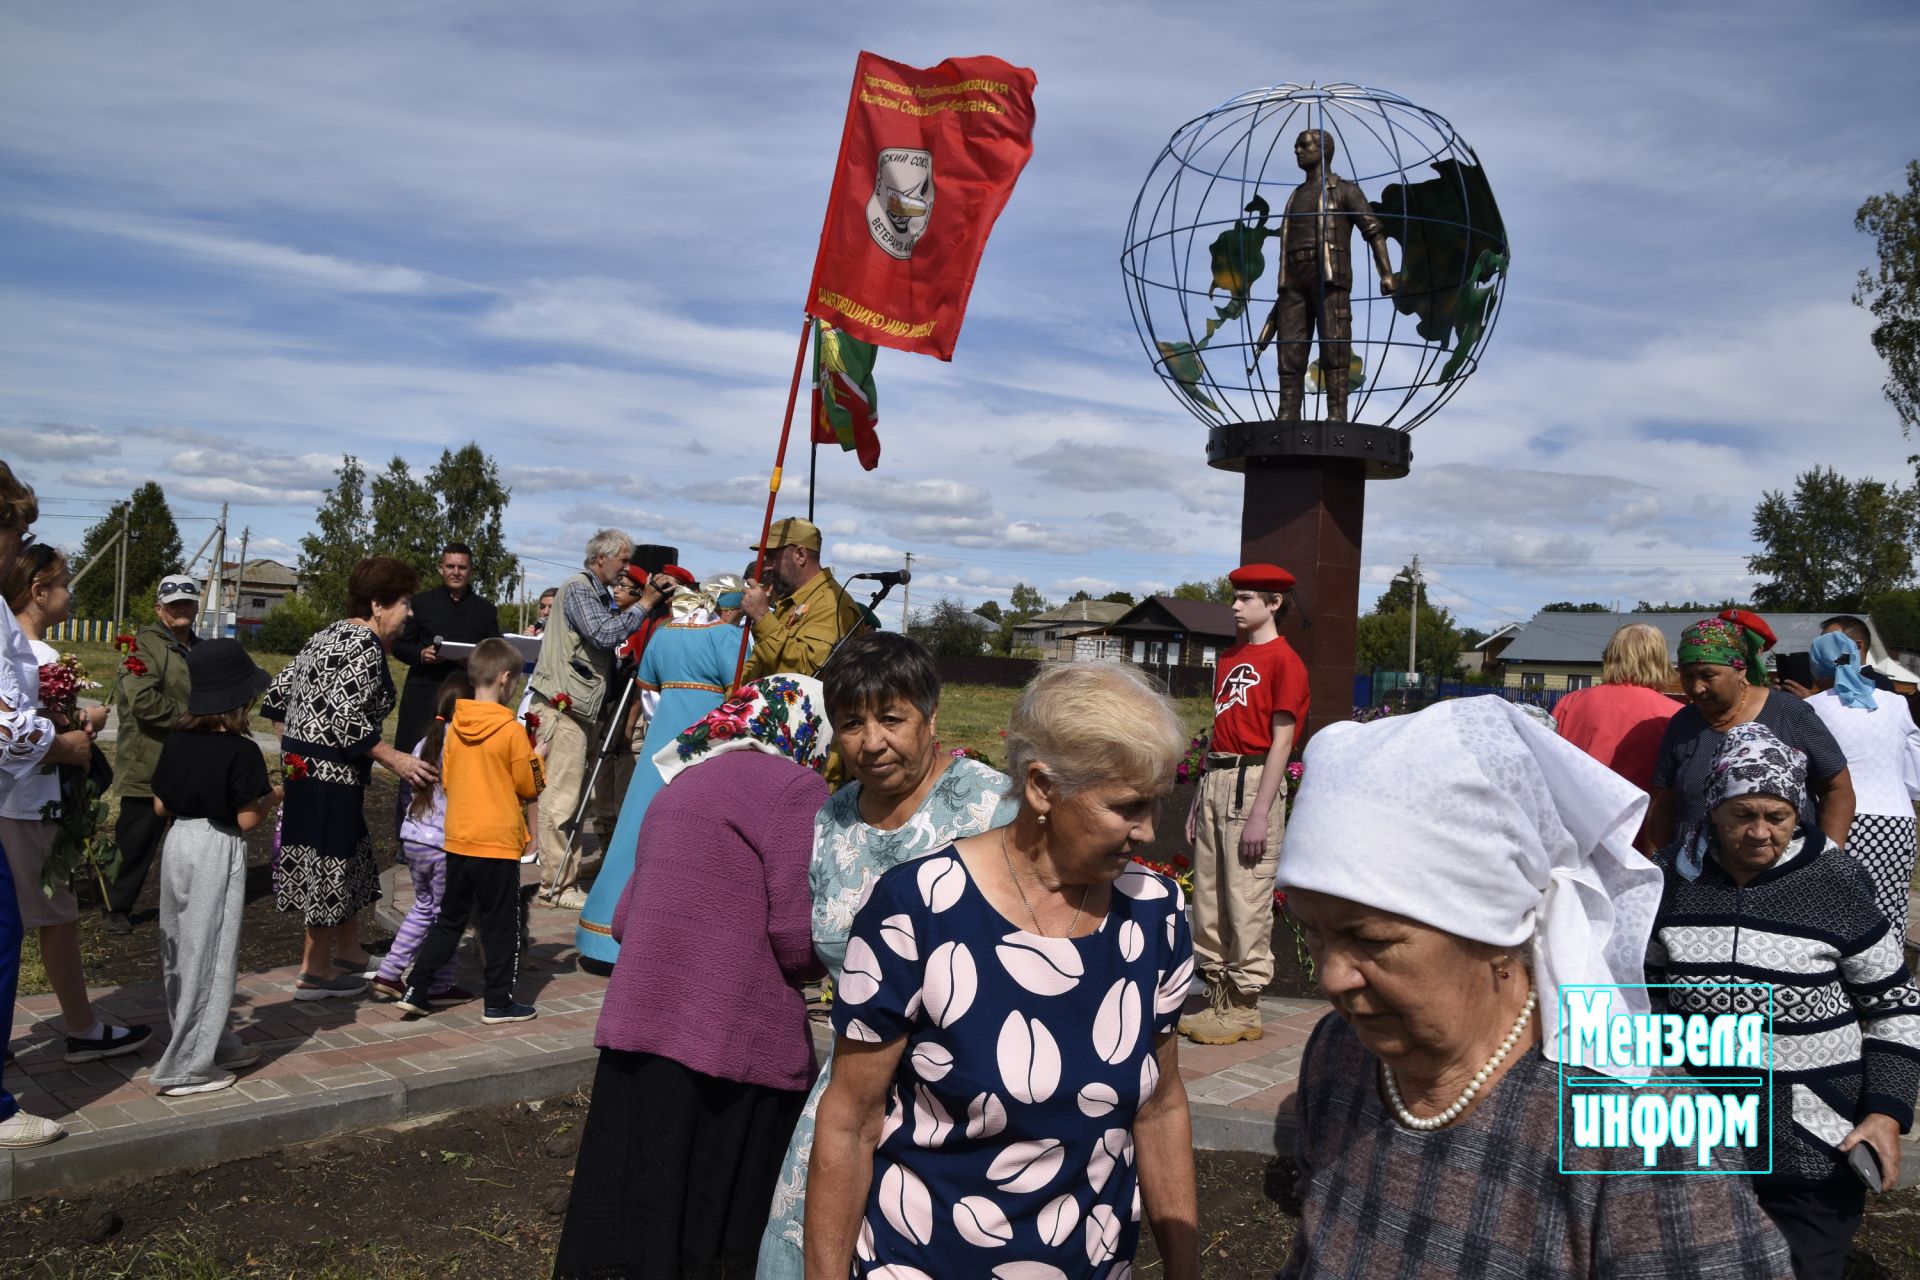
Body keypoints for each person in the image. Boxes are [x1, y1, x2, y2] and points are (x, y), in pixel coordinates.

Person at [1276, 697, 1795, 1278]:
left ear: (1497, 928)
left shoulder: (1642, 1128)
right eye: (1313, 934)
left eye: (1370, 939)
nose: (1332, 978)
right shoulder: (1339, 1053)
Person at [805, 663, 1200, 1280]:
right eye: (1127, 807)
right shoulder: (918, 908)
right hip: (926, 1261)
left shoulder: (1155, 913)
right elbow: (850, 1120)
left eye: (1155, 805)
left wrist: (1183, 1267)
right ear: (1042, 789)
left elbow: (1161, 1105)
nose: (1148, 830)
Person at [553, 676, 833, 1279]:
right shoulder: (797, 787)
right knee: (709, 1221)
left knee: (634, 1209)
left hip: (640, 1023)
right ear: (806, 728)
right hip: (729, 1036)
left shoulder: (683, 781)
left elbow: (626, 918)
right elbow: (794, 934)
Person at [756, 633, 1017, 1278]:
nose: (870, 742)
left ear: (932, 719)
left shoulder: (996, 808)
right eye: (851, 723)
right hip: (853, 1093)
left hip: (972, 1099)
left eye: (891, 719)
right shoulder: (831, 820)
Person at [1648, 721, 1920, 1279]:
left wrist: (1885, 1111)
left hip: (1815, 1143)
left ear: (1799, 813)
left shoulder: (1836, 882)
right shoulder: (1670, 879)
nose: (1758, 833)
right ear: (1712, 811)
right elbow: (1643, 989)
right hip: (1701, 1140)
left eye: (1777, 817)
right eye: (1741, 815)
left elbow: (1895, 1005)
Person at [1, 546, 149, 1066]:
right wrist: (83, 724)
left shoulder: (24, 650)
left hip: (18, 801)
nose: (71, 592)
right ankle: (82, 1026)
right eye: (64, 583)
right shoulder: (35, 656)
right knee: (53, 917)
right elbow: (37, 732)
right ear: (39, 593)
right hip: (31, 804)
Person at [264, 556, 437, 999]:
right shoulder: (361, 645)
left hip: (310, 772)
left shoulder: (324, 635)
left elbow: (277, 697)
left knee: (353, 859)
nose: (410, 612)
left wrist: (296, 746)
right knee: (328, 864)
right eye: (404, 602)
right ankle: (314, 971)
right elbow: (346, 718)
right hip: (327, 779)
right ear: (378, 605)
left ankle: (350, 952)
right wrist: (394, 759)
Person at [0, 461, 102, 1149]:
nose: (16, 546)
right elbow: (8, 724)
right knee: (9, 931)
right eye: (15, 533)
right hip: (23, 794)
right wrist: (64, 742)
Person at [576, 574, 747, 966]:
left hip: (661, 742)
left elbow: (648, 694)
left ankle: (605, 931)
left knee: (636, 827)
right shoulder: (728, 638)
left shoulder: (664, 633)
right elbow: (739, 698)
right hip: (706, 743)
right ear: (727, 606)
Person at [1179, 563, 1308, 1046]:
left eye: (1247, 597)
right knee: (1210, 897)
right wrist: (1198, 794)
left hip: (1253, 782)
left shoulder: (1285, 662)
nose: (1235, 605)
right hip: (1218, 777)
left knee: (1247, 896)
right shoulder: (1231, 656)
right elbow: (1220, 731)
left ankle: (1244, 1007)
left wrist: (1261, 811)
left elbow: (1282, 741)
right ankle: (1218, 999)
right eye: (1235, 596)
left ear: (1274, 604)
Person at [147, 640, 279, 1097]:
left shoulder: (176, 739)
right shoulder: (242, 751)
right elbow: (246, 819)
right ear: (238, 699)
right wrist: (275, 796)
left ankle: (214, 1041)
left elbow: (160, 805)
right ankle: (185, 1067)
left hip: (178, 842)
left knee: (182, 948)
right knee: (211, 952)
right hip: (216, 847)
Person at [397, 637, 544, 1024]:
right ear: (506, 678)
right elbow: (528, 786)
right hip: (495, 842)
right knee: (501, 925)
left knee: (449, 919)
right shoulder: (511, 731)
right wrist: (538, 759)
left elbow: (447, 776)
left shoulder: (453, 727)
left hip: (458, 837)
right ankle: (498, 1001)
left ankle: (417, 987)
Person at [528, 529, 663, 910]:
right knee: (561, 799)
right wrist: (646, 603)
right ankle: (556, 885)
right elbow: (603, 633)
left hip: (576, 707)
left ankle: (562, 877)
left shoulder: (594, 591)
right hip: (563, 707)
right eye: (622, 561)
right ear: (600, 559)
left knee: (572, 799)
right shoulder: (579, 589)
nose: (626, 570)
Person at [1643, 615, 1855, 856]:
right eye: (1687, 676)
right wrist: (1658, 868)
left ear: (1740, 670)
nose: (1697, 688)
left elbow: (1837, 789)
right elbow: (1663, 803)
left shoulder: (1789, 714)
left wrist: (1827, 858)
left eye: (1708, 676)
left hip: (1783, 872)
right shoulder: (1683, 723)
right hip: (1695, 875)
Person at [1248, 128, 1398, 422]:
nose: (1297, 151)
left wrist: (1387, 273)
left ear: (1323, 150)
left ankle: (1336, 414)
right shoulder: (1295, 196)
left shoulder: (1345, 190)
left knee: (1334, 343)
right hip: (1293, 281)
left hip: (1329, 276)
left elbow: (1374, 230)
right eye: (1296, 146)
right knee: (1289, 349)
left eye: (1303, 145)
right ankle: (1287, 413)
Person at [103, 573, 201, 934]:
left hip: (188, 760)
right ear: (159, 607)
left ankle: (186, 905)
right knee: (136, 840)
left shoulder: (199, 646)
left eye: (188, 602)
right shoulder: (144, 645)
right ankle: (116, 906)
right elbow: (142, 700)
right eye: (174, 603)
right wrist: (193, 719)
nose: (182, 608)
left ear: (197, 605)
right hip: (149, 758)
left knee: (190, 840)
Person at [368, 672, 475, 1004]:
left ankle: (393, 972)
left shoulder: (424, 740)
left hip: (414, 836)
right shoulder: (461, 744)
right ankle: (432, 981)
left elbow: (411, 788)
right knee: (447, 915)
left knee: (425, 907)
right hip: (444, 842)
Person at [1805, 630, 1920, 938]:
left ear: (1816, 665)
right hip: (1897, 823)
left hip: (1838, 819)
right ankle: (1886, 980)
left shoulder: (1811, 707)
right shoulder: (1896, 704)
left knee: (1832, 912)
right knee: (1888, 911)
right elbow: (1915, 776)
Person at [389, 544, 501, 820]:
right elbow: (399, 645)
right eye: (450, 566)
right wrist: (420, 654)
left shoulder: (485, 610)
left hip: (466, 698)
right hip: (423, 695)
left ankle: (454, 825)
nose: (456, 572)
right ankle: (407, 831)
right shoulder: (422, 603)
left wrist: (474, 660)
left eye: (462, 567)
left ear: (471, 571)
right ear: (441, 568)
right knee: (414, 761)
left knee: (461, 763)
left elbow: (494, 651)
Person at [1551, 621, 1681, 791]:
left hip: (1575, 809)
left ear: (1610, 656)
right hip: (1641, 813)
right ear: (1660, 660)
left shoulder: (1570, 702)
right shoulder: (1675, 714)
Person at [739, 517, 866, 684]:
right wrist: (734, 698)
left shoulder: (831, 604)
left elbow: (804, 674)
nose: (767, 566)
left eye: (772, 557)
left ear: (800, 555)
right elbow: (761, 663)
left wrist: (762, 617)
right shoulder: (792, 601)